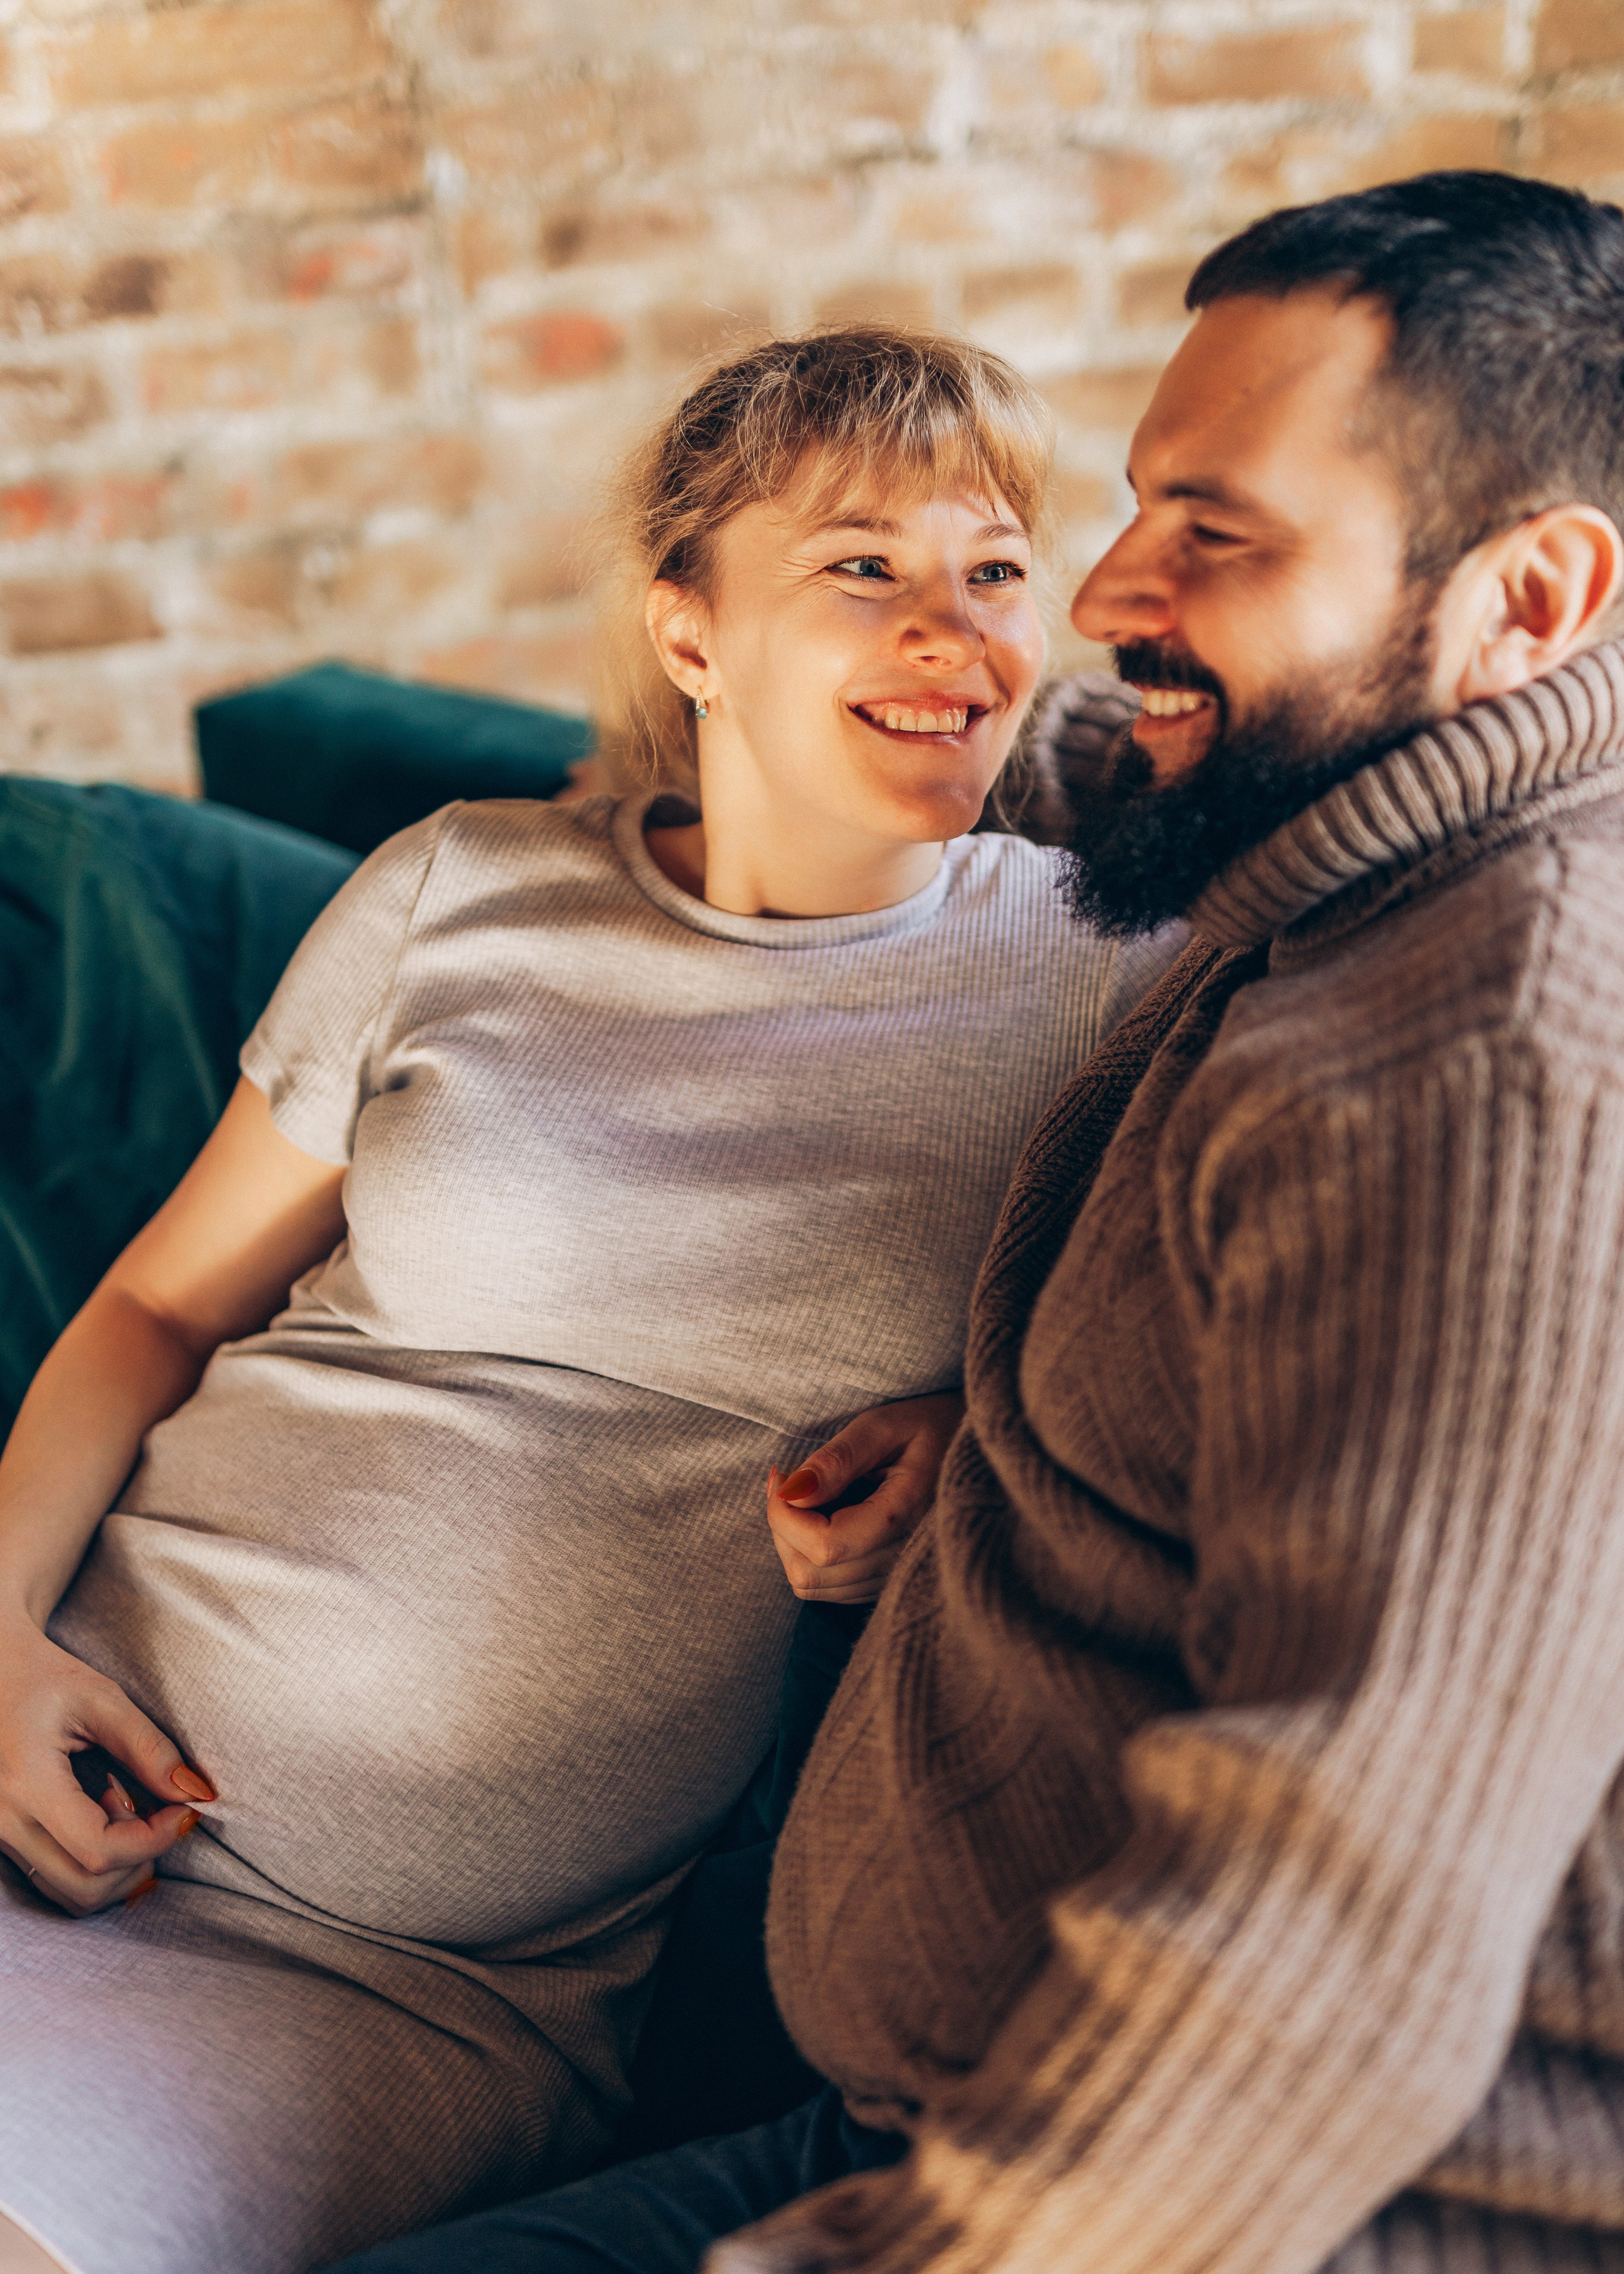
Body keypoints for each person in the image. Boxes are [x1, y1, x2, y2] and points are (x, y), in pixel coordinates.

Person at [317, 168, 1624, 2274]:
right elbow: (1041, 738)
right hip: (912, 2096)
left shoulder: (1497, 1064)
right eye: (1133, 506)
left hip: (1159, 2207)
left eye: (1221, 535)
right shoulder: (1349, 836)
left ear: (1536, 598)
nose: (1103, 599)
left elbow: (1342, 1903)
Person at [0, 329, 1176, 2274]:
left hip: (405, 1982)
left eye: (993, 567)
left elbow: (1220, 1368)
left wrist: (972, 1442)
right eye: (863, 567)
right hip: (67, 1722)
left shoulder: (1098, 979)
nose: (954, 629)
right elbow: (152, 1316)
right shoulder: (460, 890)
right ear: (690, 634)